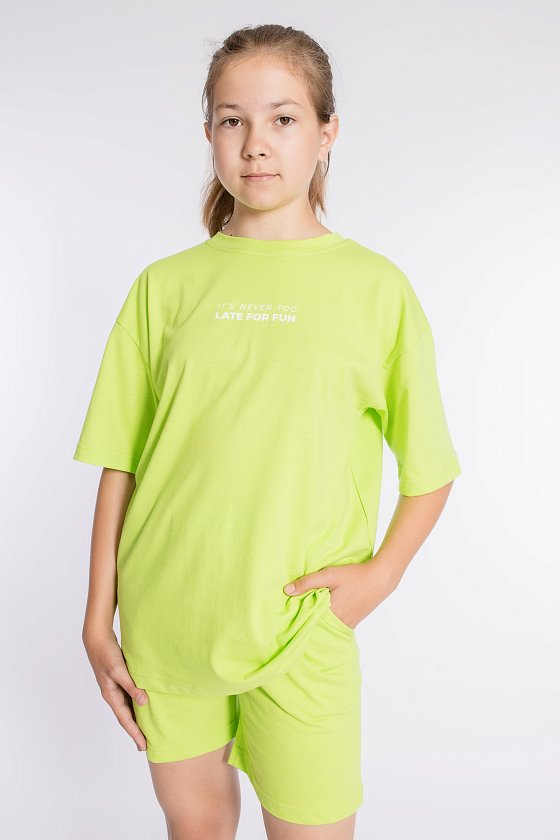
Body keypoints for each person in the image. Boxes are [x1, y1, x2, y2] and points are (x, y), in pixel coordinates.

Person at [74, 23, 462, 840]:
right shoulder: (165, 288)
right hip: (167, 623)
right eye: (232, 120)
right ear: (209, 134)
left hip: (300, 629)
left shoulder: (375, 290)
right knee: (196, 827)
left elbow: (430, 469)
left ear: (327, 132)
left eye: (283, 119)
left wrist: (378, 579)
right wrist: (96, 616)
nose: (256, 143)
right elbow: (121, 461)